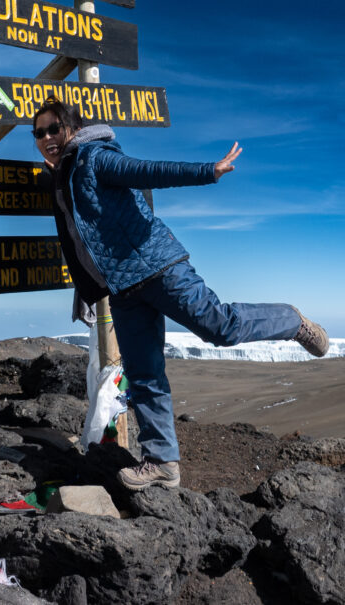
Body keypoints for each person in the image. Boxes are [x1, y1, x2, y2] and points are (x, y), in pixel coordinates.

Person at [32, 98, 329, 490]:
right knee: (143, 374)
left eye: (54, 128)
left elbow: (147, 170)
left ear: (71, 127)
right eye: (39, 133)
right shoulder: (67, 171)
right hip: (121, 286)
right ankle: (162, 462)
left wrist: (209, 171)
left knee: (220, 326)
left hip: (159, 269)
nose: (47, 137)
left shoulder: (95, 156)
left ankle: (291, 321)